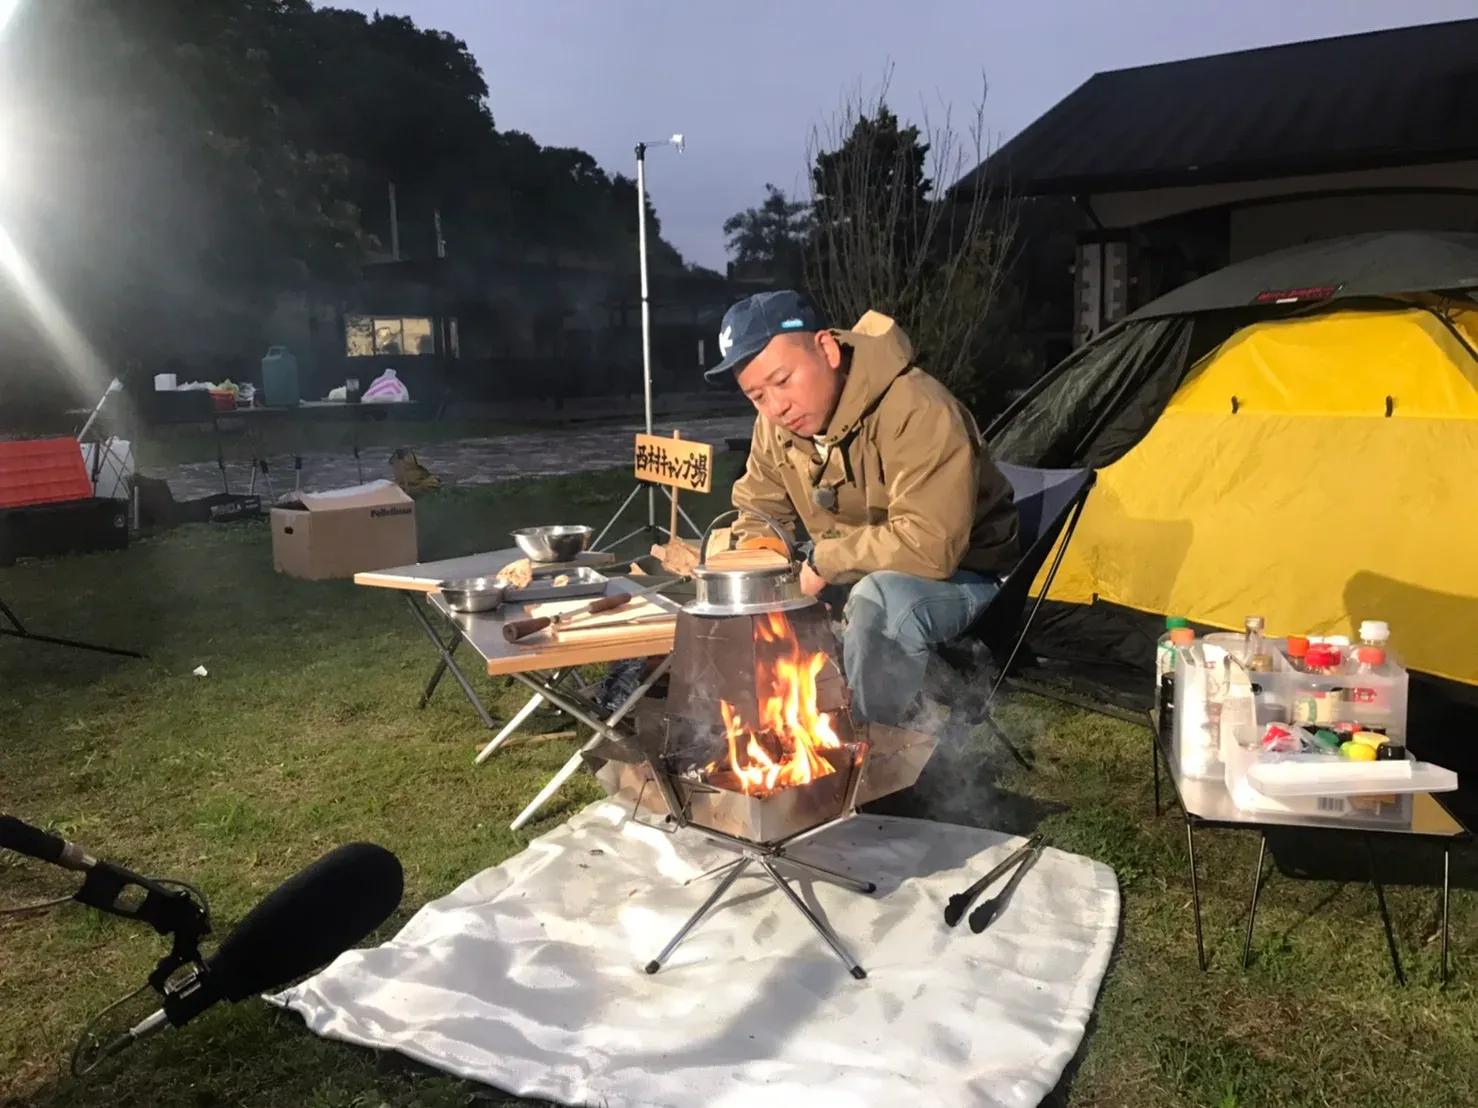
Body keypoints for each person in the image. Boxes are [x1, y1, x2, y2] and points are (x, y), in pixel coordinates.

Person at [707, 290, 1020, 726]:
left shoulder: (918, 409)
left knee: (881, 602)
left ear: (827, 349)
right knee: (751, 593)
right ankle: (771, 738)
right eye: (757, 395)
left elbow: (930, 546)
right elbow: (757, 509)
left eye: (783, 381)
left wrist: (823, 562)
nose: (776, 407)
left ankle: (874, 756)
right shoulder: (775, 426)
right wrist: (761, 564)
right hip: (858, 569)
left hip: (966, 574)